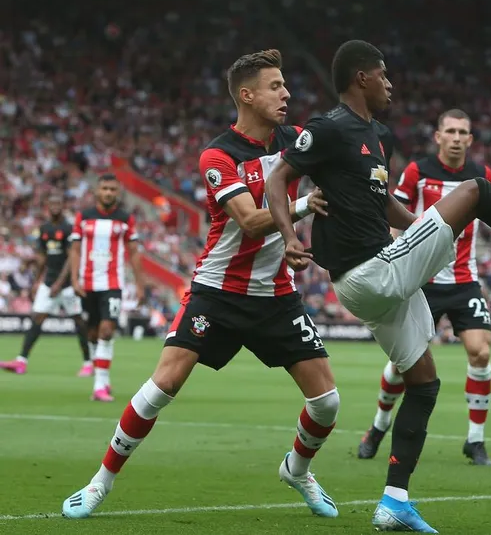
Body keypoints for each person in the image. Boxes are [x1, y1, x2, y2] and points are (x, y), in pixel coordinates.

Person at [266, 39, 491, 533]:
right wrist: (288, 234)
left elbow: (381, 201)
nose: (390, 84)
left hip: (375, 276)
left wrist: (420, 228)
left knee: (424, 383)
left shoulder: (375, 135)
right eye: (383, 75)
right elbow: (279, 178)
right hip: (370, 271)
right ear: (361, 78)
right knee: (476, 190)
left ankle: (394, 501)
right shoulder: (330, 127)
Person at [61, 49, 337, 520]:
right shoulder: (218, 154)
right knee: (162, 384)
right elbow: (250, 222)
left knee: (327, 403)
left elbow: (341, 165)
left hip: (276, 295)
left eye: (286, 84)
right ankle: (99, 483)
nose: (287, 93)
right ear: (247, 96)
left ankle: (296, 469)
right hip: (219, 291)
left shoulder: (294, 141)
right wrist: (307, 205)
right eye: (276, 86)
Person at [357, 108, 491, 467]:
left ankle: (475, 440)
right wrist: (392, 252)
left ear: (470, 139)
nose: (455, 137)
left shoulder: (482, 175)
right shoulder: (417, 172)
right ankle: (378, 426)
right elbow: (395, 216)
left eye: (462, 132)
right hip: (422, 280)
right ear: (438, 136)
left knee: (481, 353)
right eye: (449, 131)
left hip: (465, 281)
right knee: (403, 363)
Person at [68, 174, 144, 402]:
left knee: (107, 330)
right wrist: (74, 279)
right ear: (97, 192)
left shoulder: (125, 219)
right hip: (87, 283)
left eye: (112, 189)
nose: (108, 193)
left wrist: (140, 285)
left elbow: (133, 252)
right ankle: (102, 378)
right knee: (92, 333)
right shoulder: (84, 216)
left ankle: (99, 386)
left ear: (118, 192)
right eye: (105, 189)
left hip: (113, 283)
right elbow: (74, 249)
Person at [0, 195, 93, 376]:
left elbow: (71, 258)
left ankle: (88, 363)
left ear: (63, 205)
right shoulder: (44, 229)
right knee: (37, 319)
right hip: (48, 283)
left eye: (58, 202)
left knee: (79, 322)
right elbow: (43, 257)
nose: (55, 206)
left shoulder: (68, 228)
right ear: (47, 206)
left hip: (66, 285)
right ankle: (21, 361)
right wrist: (36, 281)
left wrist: (59, 283)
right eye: (52, 203)